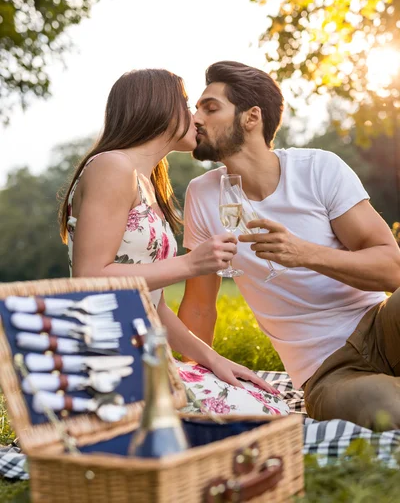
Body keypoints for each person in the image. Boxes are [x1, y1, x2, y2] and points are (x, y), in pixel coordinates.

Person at [178, 60, 400, 430]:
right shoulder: (202, 196)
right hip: (327, 371)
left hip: (382, 327)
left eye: (210, 107)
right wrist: (193, 384)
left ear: (251, 118)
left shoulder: (318, 169)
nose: (195, 118)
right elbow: (200, 307)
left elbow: (392, 269)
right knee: (388, 407)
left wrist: (305, 254)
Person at [59, 68, 289, 417]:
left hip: (144, 353)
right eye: (185, 102)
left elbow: (155, 306)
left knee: (267, 401)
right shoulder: (112, 166)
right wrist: (191, 265)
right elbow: (90, 277)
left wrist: (213, 359)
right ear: (160, 108)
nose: (195, 116)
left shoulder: (146, 184)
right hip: (108, 359)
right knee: (259, 416)